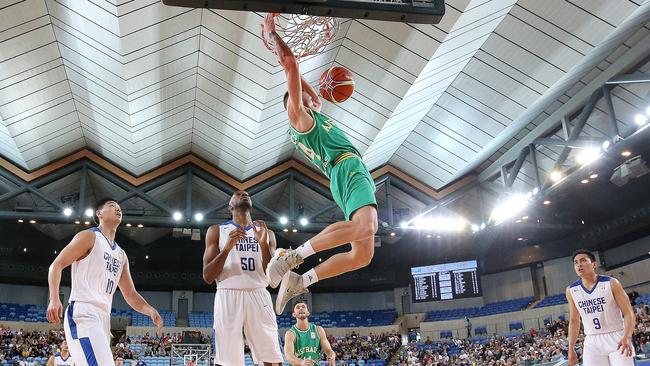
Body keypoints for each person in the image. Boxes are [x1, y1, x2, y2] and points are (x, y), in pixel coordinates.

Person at [261, 13, 379, 315]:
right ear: (295, 103)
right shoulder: (299, 119)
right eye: (305, 97)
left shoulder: (311, 116)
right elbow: (293, 68)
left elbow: (307, 88)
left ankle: (302, 279)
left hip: (345, 172)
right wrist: (274, 36)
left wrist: (299, 78)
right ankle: (292, 256)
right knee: (367, 226)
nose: (314, 99)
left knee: (362, 255)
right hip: (347, 168)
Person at [47, 198, 163, 366]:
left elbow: (130, 294)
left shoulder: (121, 255)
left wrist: (150, 310)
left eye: (119, 208)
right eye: (112, 206)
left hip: (103, 317)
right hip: (83, 311)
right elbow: (56, 265)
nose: (118, 209)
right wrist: (54, 298)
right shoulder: (89, 236)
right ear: (99, 213)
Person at [203, 190, 283, 365]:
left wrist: (262, 244)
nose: (244, 194)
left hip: (259, 292)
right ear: (230, 206)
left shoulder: (266, 233)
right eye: (238, 194)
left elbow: (273, 277)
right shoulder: (216, 231)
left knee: (271, 357)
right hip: (227, 293)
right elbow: (208, 276)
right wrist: (227, 248)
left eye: (247, 194)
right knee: (227, 359)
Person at [566, 249, 636, 366]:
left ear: (594, 264)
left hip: (617, 337)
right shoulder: (571, 290)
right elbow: (574, 320)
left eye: (583, 261)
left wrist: (627, 336)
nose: (579, 264)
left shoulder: (611, 283)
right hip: (592, 341)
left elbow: (628, 313)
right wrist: (571, 348)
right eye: (576, 262)